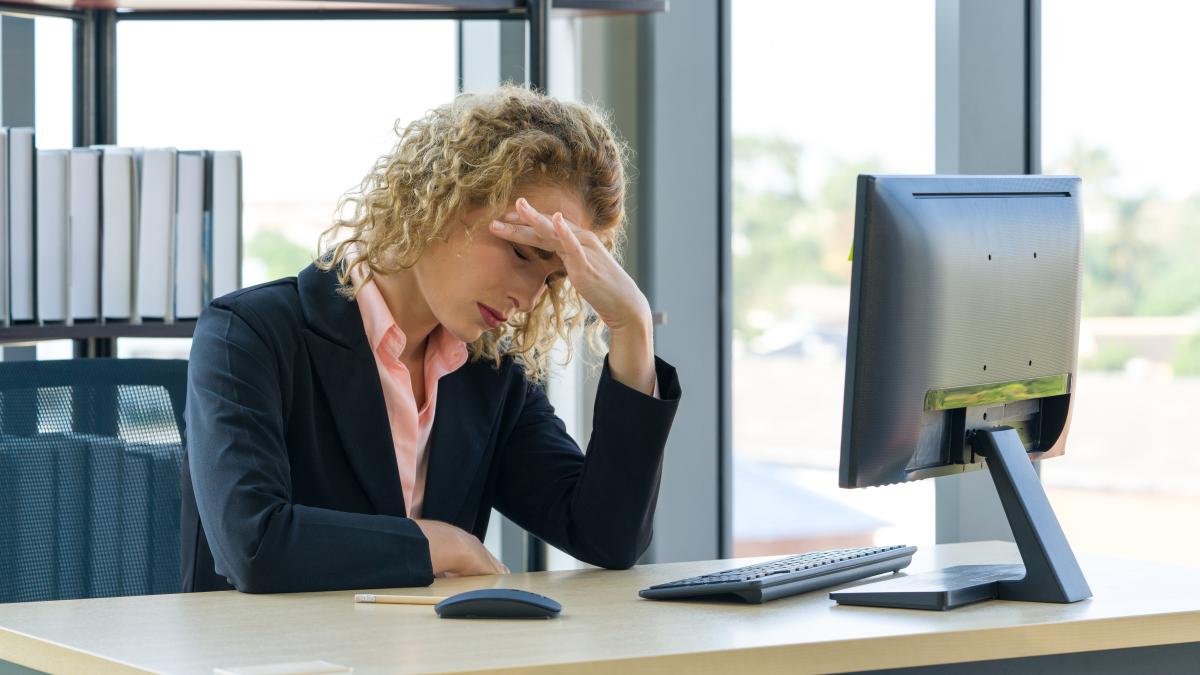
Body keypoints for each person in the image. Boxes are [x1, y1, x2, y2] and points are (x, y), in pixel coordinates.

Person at [180, 85, 682, 593]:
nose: (529, 298)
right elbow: (255, 546)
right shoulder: (247, 335)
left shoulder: (489, 374)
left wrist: (631, 327)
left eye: (553, 280)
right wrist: (440, 543)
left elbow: (605, 536)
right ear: (445, 199)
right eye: (523, 255)